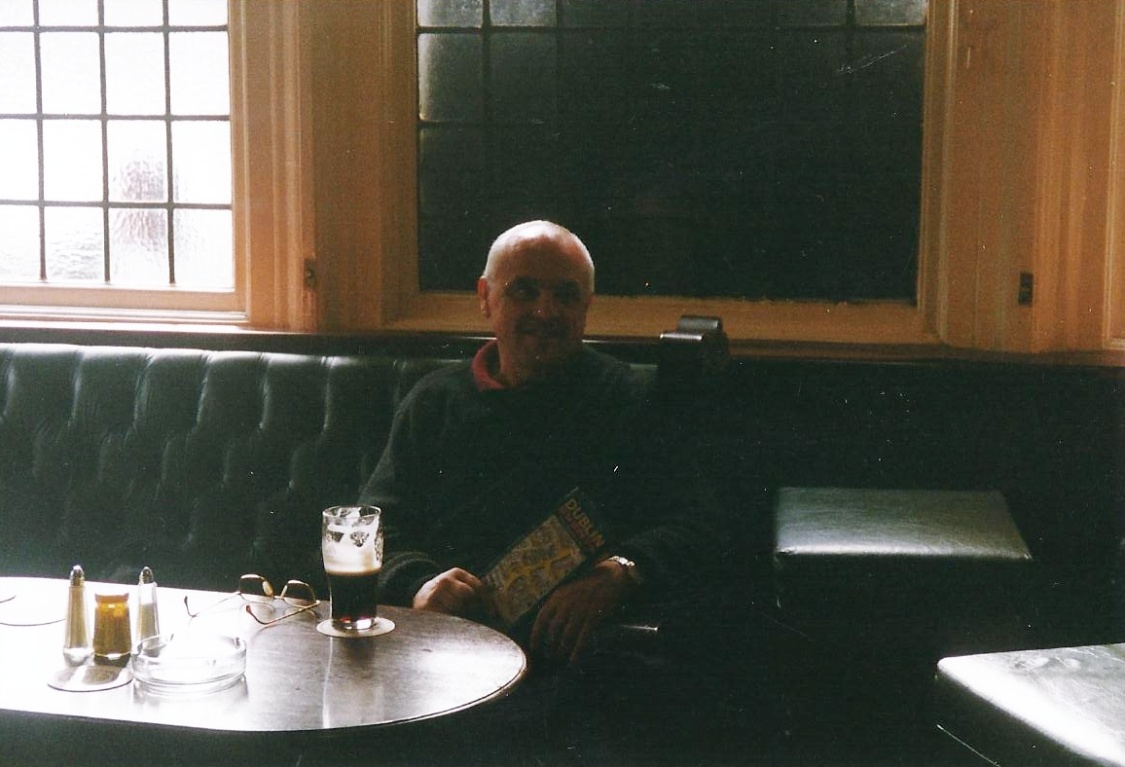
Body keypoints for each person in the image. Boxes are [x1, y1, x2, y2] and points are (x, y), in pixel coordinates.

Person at [360, 220, 725, 665]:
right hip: (442, 651)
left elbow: (698, 525)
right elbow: (373, 527)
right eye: (524, 291)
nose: (546, 312)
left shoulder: (628, 399)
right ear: (485, 298)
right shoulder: (434, 401)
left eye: (565, 296)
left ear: (586, 307)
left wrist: (619, 573)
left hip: (577, 657)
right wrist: (419, 584)